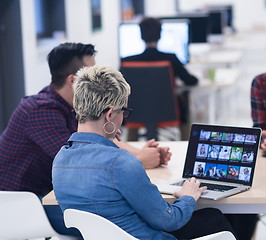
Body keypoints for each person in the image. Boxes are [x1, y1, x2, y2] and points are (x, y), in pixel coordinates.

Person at [0, 42, 171, 237]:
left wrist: (140, 153)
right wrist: (139, 160)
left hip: (47, 196)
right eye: (90, 75)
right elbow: (85, 162)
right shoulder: (40, 111)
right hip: (22, 205)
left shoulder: (73, 107)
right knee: (125, 217)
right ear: (74, 80)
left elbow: (98, 141)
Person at [52, 65, 235, 239]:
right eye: (123, 111)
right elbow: (169, 220)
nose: (123, 118)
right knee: (216, 218)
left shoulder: (60, 160)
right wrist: (188, 196)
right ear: (109, 115)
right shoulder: (121, 163)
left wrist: (108, 139)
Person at [121, 17, 198, 140]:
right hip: (167, 111)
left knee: (132, 102)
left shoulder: (127, 61)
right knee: (184, 104)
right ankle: (186, 143)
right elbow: (191, 81)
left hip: (135, 112)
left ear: (141, 36)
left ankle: (132, 143)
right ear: (160, 35)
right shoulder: (171, 59)